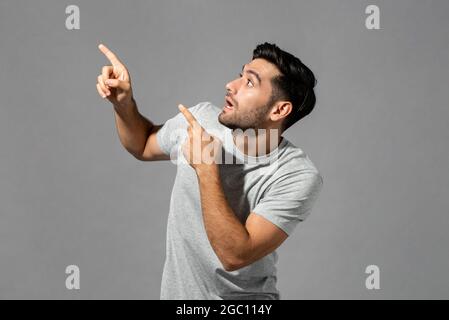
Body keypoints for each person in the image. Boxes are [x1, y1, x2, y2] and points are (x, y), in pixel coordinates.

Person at [96, 42, 323, 300]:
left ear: (279, 110)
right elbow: (143, 144)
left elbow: (235, 255)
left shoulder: (296, 175)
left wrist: (206, 168)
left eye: (250, 82)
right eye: (241, 75)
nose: (231, 84)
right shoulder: (201, 120)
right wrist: (124, 105)